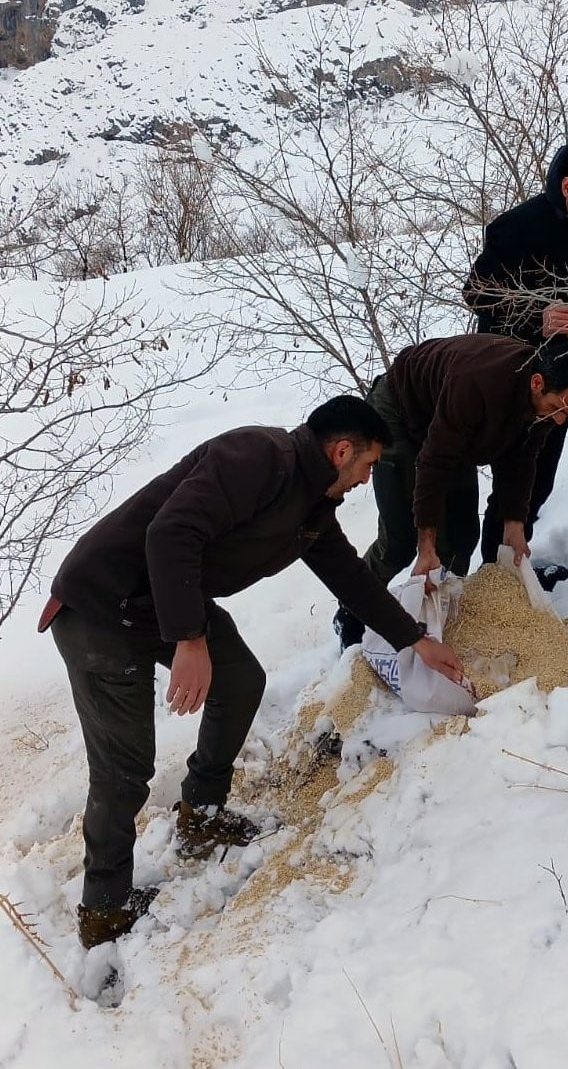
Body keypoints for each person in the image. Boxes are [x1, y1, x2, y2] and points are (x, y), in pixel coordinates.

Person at [38, 396, 464, 949]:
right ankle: (104, 910)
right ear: (340, 452)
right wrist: (189, 637)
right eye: (366, 466)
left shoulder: (311, 507)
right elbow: (170, 534)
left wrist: (417, 641)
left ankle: (202, 810)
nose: (365, 479)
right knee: (124, 769)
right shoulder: (256, 456)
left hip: (167, 599)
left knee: (241, 682)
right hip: (102, 607)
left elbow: (352, 581)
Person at [333, 334, 568, 648]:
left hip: (449, 425)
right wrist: (426, 544)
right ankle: (351, 612)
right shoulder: (478, 384)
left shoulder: (545, 403)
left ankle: (439, 616)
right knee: (401, 540)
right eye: (557, 408)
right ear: (537, 382)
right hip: (400, 414)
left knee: (461, 535)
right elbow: (434, 462)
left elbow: (522, 458)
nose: (559, 419)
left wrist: (514, 524)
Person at [463, 141, 568, 586]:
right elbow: (476, 294)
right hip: (509, 372)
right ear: (566, 185)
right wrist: (534, 316)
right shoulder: (516, 228)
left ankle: (510, 569)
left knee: (538, 482)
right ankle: (495, 582)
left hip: (565, 376)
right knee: (513, 480)